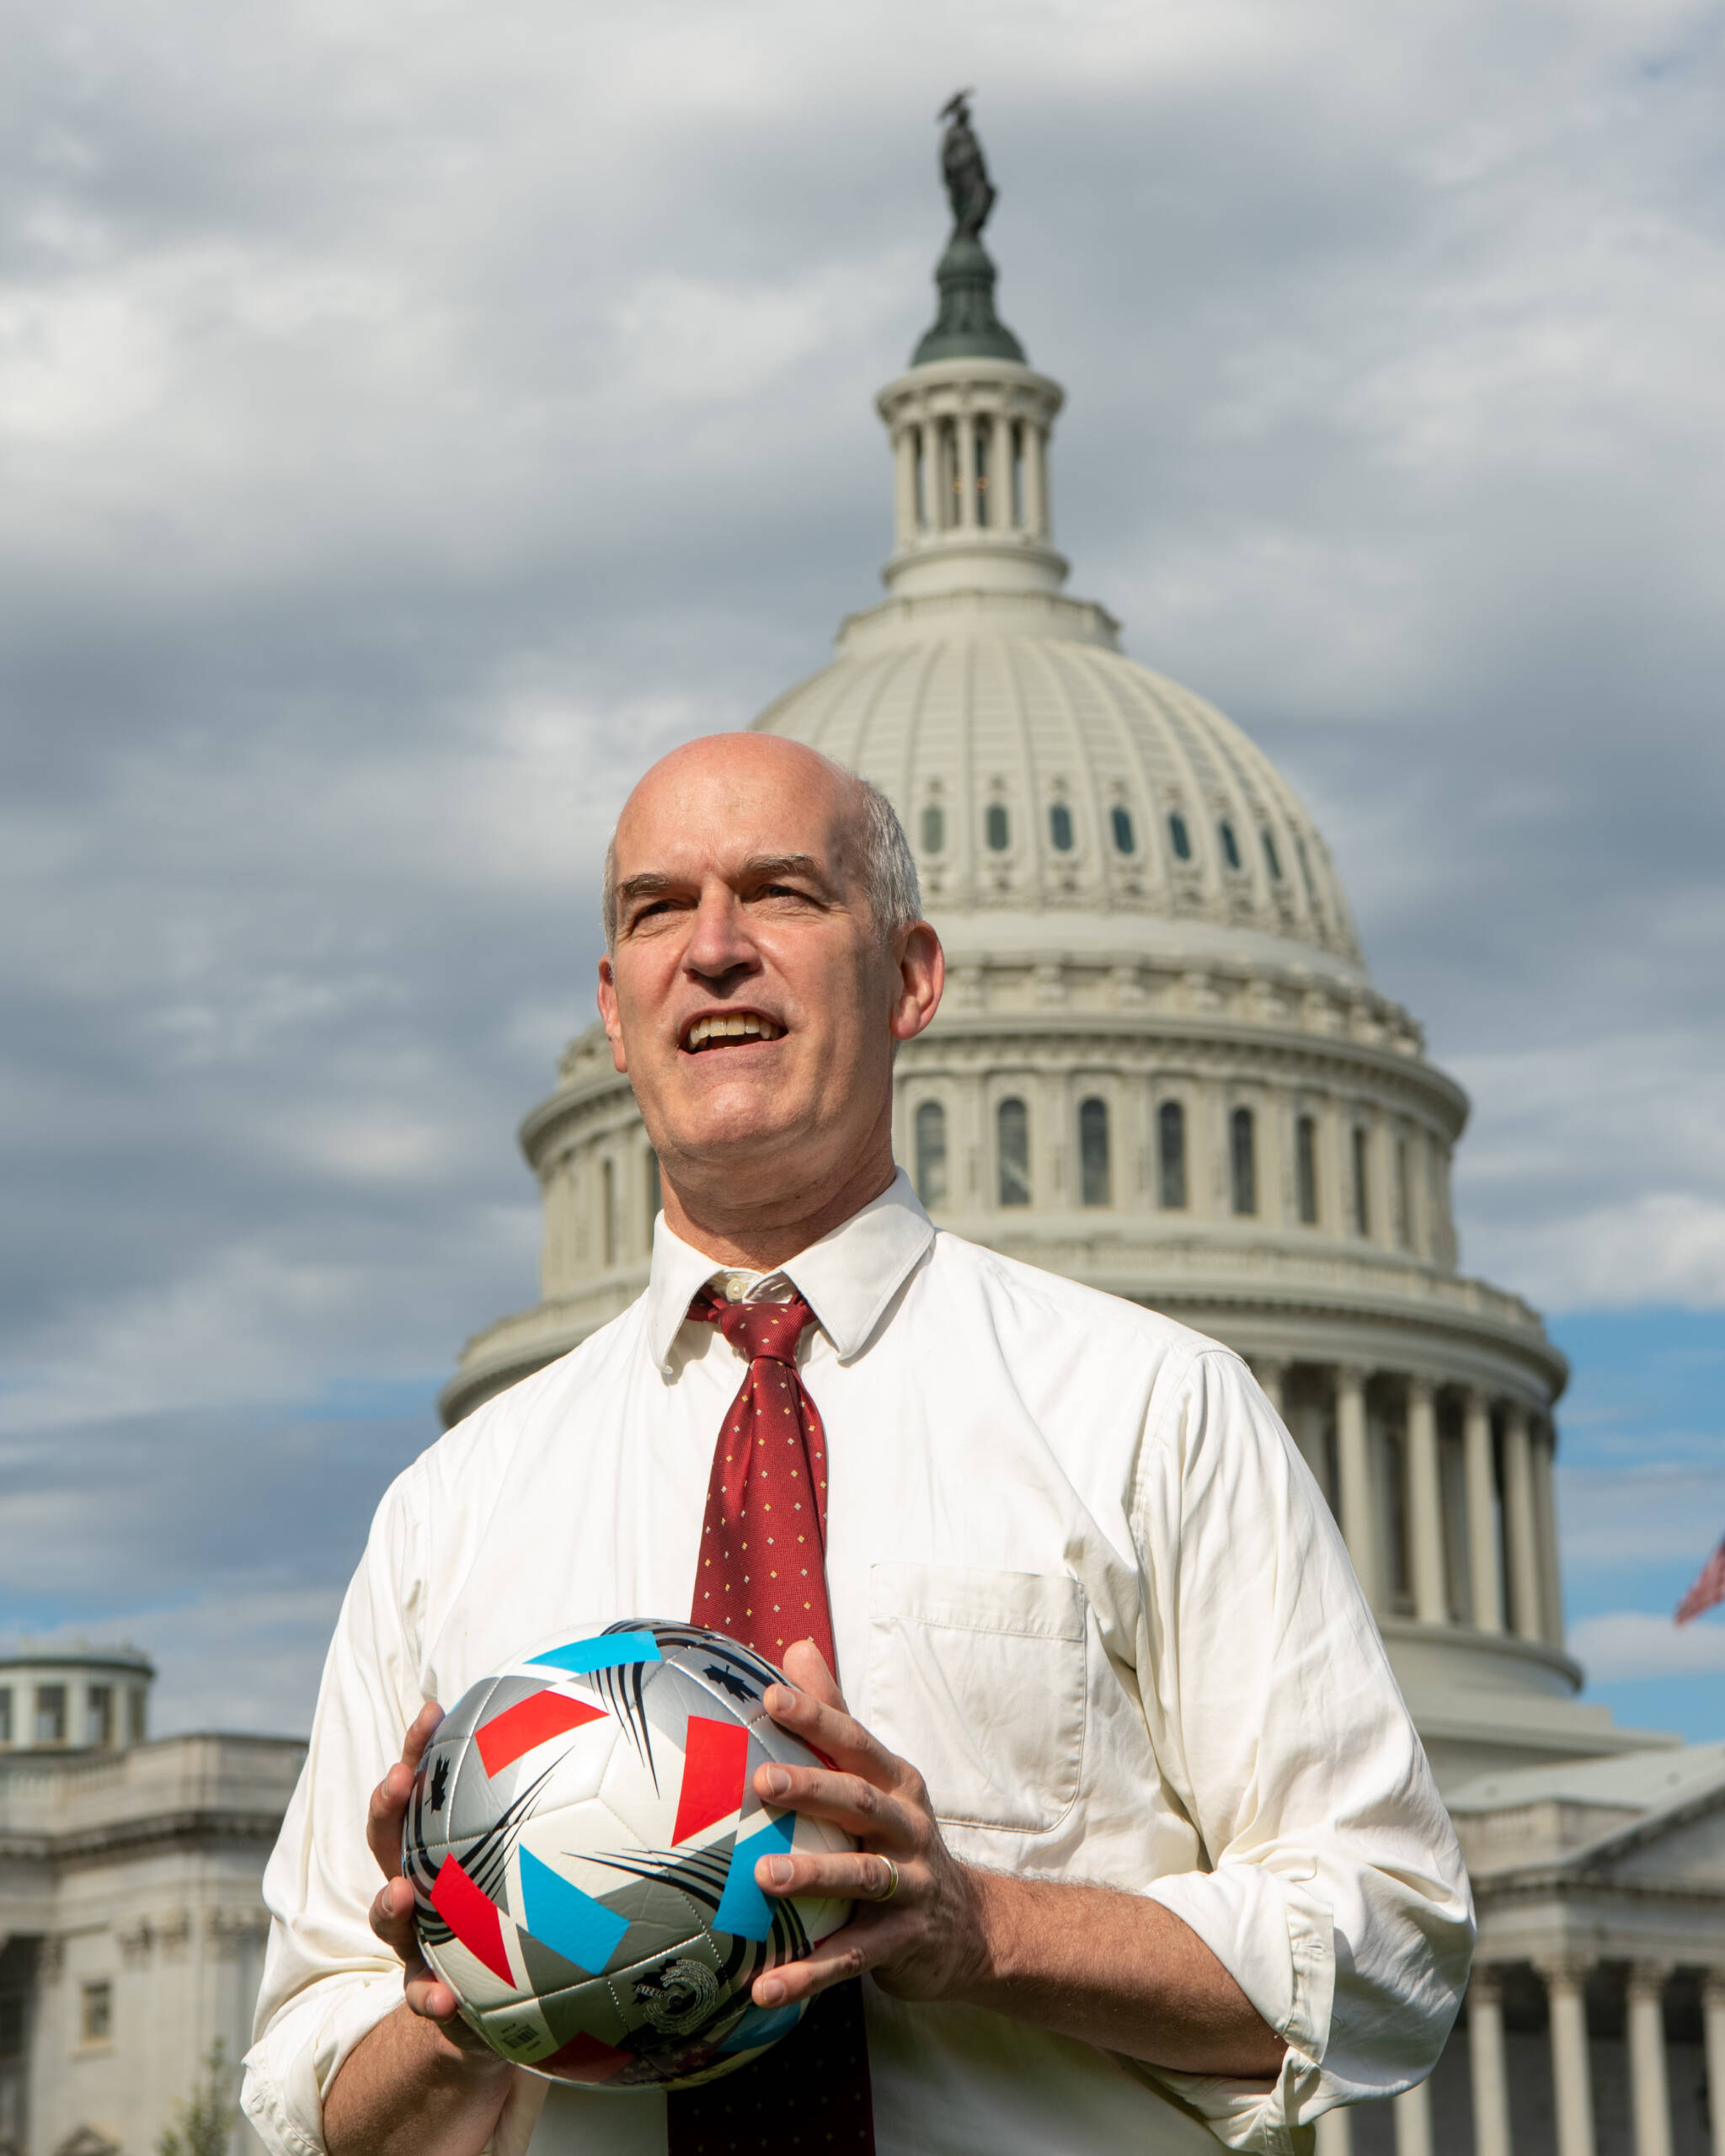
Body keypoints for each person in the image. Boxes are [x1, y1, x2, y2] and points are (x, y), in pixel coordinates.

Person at [243, 732, 1473, 2156]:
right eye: (657, 909)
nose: (712, 949)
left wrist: (983, 1929)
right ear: (616, 1003)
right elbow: (299, 2099)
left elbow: (1390, 1954)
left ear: (909, 978)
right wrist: (450, 2010)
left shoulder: (1153, 1411)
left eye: (780, 893)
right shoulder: (449, 1511)